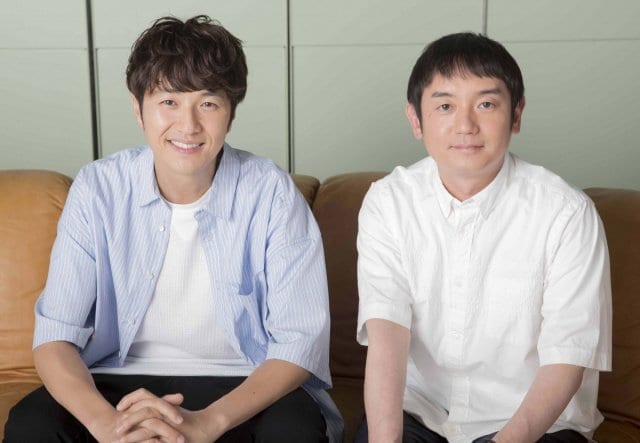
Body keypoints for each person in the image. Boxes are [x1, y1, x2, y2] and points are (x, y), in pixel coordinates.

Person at [4, 15, 342, 443]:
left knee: (293, 431)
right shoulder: (98, 189)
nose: (188, 126)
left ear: (230, 113)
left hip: (243, 385)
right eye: (169, 102)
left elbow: (299, 342)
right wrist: (107, 425)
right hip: (115, 381)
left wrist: (208, 423)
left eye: (208, 103)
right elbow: (55, 336)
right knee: (31, 425)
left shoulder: (271, 193)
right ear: (138, 108)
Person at [355, 32, 611, 443]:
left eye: (486, 104)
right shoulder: (388, 202)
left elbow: (567, 357)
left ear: (516, 114)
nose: (465, 126)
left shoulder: (566, 213)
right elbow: (387, 336)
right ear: (416, 120)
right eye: (445, 106)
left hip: (532, 424)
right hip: (422, 412)